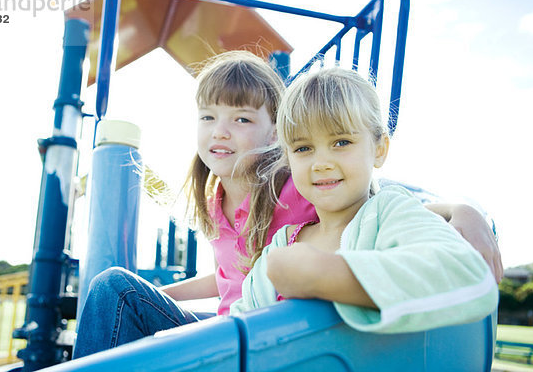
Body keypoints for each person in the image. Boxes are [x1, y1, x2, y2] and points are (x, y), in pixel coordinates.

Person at [73, 51, 501, 357]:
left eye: (241, 118)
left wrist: (465, 210)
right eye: (208, 117)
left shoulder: (309, 196)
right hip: (241, 335)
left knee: (115, 288)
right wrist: (158, 297)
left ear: (273, 136)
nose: (321, 162)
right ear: (292, 150)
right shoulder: (261, 229)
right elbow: (234, 284)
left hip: (286, 341)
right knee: (120, 293)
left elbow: (396, 208)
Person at [230, 68, 498, 333]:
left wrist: (324, 275)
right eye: (303, 148)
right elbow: (239, 326)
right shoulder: (282, 244)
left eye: (342, 142)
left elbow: (468, 277)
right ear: (288, 159)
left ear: (379, 149)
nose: (321, 163)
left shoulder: (388, 214)